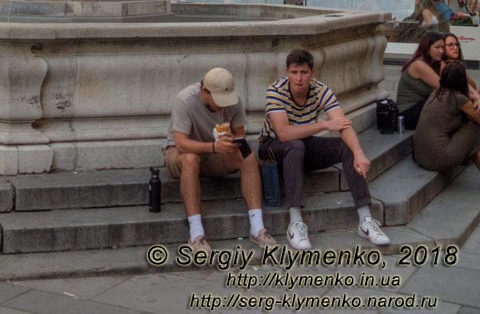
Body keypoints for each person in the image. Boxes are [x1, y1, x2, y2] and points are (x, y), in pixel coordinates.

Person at [258, 47, 389, 250]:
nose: (299, 78)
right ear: (287, 73)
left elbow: (342, 124)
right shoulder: (275, 90)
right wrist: (324, 125)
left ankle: (365, 220)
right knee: (294, 145)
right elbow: (283, 133)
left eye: (304, 73)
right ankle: (295, 222)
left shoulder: (321, 90)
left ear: (312, 73)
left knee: (347, 148)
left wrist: (358, 153)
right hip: (271, 147)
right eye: (294, 72)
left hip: (302, 145)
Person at [164, 68, 275, 254]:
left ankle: (258, 228)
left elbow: (240, 134)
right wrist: (213, 147)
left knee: (248, 158)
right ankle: (196, 234)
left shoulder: (234, 100)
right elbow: (181, 144)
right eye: (218, 100)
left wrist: (232, 141)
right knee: (191, 160)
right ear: (204, 91)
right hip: (180, 154)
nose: (223, 106)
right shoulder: (185, 100)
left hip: (215, 155)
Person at [413, 61, 480, 173]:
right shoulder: (458, 98)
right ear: (462, 80)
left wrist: (476, 98)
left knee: (471, 134)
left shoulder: (436, 93)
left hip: (422, 157)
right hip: (439, 158)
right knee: (476, 127)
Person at [396, 31, 444, 129]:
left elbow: (457, 81)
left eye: (443, 47)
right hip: (408, 113)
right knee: (451, 99)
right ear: (426, 47)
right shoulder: (419, 65)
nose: (441, 51)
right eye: (437, 47)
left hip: (422, 107)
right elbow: (446, 87)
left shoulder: (436, 63)